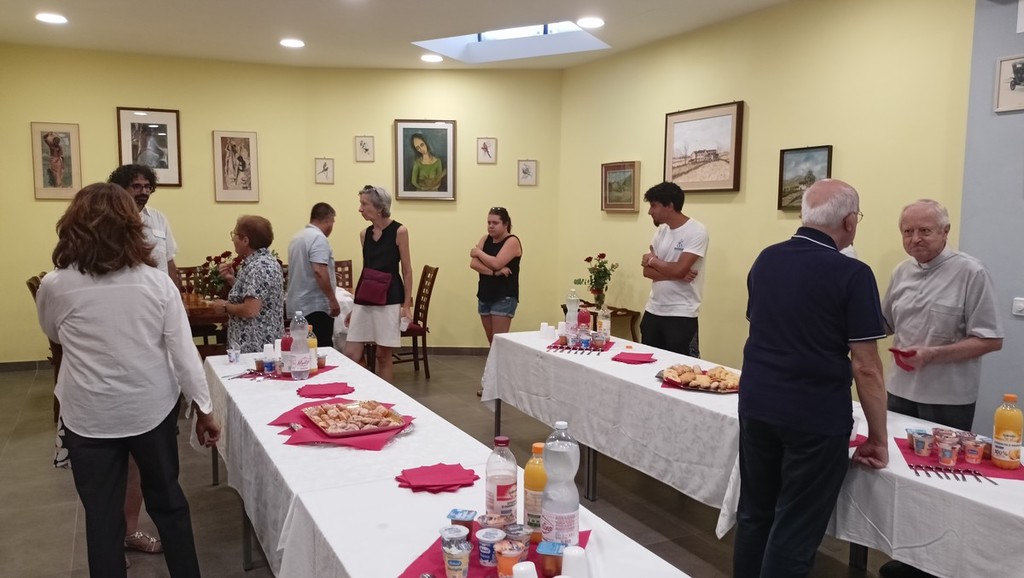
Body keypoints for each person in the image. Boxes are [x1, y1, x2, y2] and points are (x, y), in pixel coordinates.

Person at [36, 182, 220, 578]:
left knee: (102, 515)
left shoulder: (55, 284)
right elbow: (183, 352)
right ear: (132, 227)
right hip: (150, 409)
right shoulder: (156, 283)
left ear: (73, 226)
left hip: (88, 415)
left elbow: (53, 333)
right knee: (168, 502)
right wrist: (204, 409)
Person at [734, 179, 889, 578]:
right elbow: (866, 366)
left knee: (754, 513)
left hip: (757, 403)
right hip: (813, 415)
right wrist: (877, 437)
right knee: (795, 527)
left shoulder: (766, 259)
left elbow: (762, 325)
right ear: (850, 222)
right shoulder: (853, 274)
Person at [877, 200, 1003, 578]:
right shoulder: (901, 271)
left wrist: (933, 355)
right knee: (899, 478)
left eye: (925, 231)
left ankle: (937, 565)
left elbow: (991, 339)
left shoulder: (971, 272)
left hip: (948, 401)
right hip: (900, 393)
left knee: (941, 484)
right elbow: (884, 323)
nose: (915, 239)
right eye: (907, 231)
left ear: (946, 232)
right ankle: (906, 555)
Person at [343, 185, 413, 383]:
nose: (360, 209)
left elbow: (407, 270)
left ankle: (384, 398)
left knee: (383, 356)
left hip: (389, 298)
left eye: (364, 204)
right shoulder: (364, 234)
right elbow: (367, 270)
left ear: (380, 207)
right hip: (366, 298)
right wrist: (355, 306)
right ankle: (362, 391)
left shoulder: (400, 231)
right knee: (351, 353)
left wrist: (406, 304)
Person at [639, 181, 708, 355]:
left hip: (681, 313)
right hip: (653, 310)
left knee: (682, 367)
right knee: (648, 365)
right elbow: (646, 272)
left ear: (669, 206)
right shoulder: (661, 231)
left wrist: (654, 261)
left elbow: (678, 269)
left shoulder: (697, 231)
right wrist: (676, 274)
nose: (650, 211)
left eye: (654, 205)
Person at [211, 216, 285, 353]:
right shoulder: (263, 262)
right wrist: (232, 280)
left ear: (245, 240)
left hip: (256, 347)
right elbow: (256, 294)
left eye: (234, 234)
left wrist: (225, 307)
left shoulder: (259, 266)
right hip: (260, 344)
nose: (233, 239)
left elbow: (250, 309)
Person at [108, 164, 182, 290]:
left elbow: (169, 261)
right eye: (137, 186)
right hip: (127, 292)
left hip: (160, 292)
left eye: (147, 187)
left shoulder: (159, 218)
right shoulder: (110, 219)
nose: (144, 192)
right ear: (121, 189)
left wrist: (178, 296)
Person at [286, 202, 341, 346]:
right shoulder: (318, 238)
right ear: (328, 220)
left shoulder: (297, 237)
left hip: (297, 304)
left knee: (300, 348)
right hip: (315, 306)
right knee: (320, 348)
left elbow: (305, 269)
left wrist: (331, 274)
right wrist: (332, 299)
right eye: (333, 222)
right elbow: (319, 270)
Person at [469, 207, 522, 344]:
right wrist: (494, 273)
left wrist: (478, 252)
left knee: (498, 341)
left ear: (505, 224)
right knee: (492, 340)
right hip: (484, 295)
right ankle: (495, 360)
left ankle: (503, 360)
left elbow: (497, 263)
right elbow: (474, 264)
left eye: (495, 223)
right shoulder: (485, 239)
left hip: (504, 296)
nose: (491, 226)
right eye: (489, 222)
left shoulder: (512, 241)